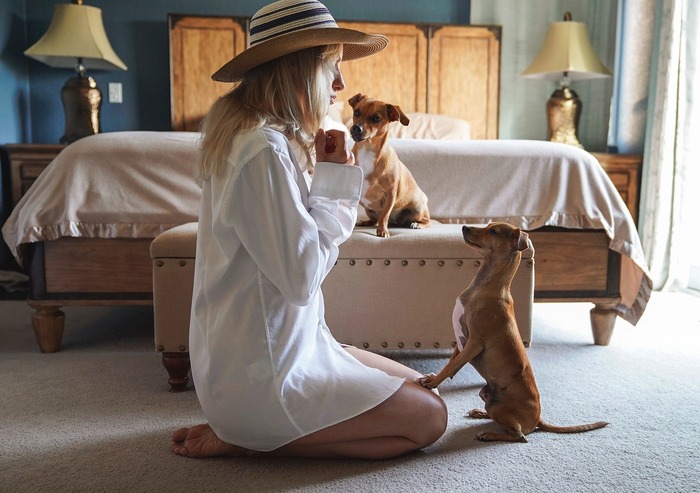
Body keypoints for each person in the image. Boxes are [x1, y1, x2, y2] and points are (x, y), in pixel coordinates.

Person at [171, 0, 447, 460]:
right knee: (430, 418)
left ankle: (249, 426)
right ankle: (250, 433)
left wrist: (328, 171)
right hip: (262, 374)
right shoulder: (262, 150)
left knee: (421, 385)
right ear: (293, 71)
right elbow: (301, 280)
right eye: (330, 68)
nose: (341, 84)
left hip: (282, 350)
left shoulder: (262, 134)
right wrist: (337, 187)